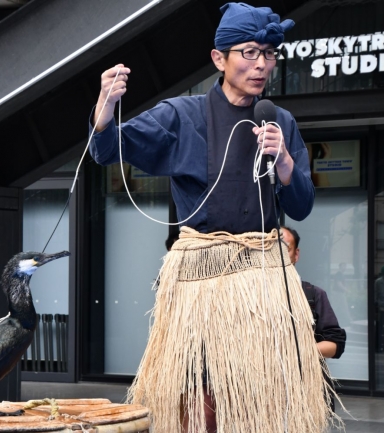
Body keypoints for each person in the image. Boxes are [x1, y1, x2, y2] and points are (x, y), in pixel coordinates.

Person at [89, 3, 327, 432]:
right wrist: (105, 107)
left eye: (269, 55)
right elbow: (106, 149)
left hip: (263, 279)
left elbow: (302, 206)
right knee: (200, 396)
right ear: (220, 58)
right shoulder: (183, 115)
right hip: (200, 280)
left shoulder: (281, 121)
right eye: (250, 52)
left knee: (266, 397)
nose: (261, 65)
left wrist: (286, 163)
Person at [281, 227, 346, 359]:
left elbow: (335, 344)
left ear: (296, 254)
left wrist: (296, 353)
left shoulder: (314, 294)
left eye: (285, 250)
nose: (277, 257)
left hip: (301, 377)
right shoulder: (249, 296)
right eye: (270, 251)